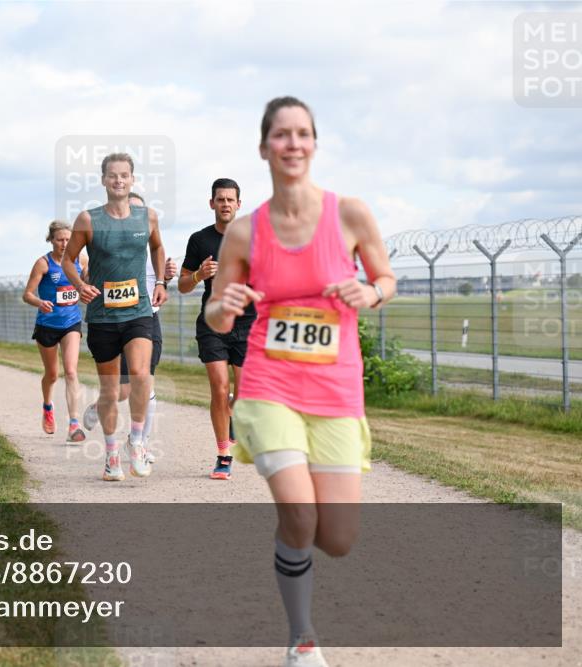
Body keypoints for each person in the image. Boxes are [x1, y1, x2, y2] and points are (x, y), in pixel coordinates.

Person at [205, 96, 395, 667]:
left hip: (336, 388)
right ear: (264, 148)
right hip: (270, 384)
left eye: (302, 133)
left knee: (336, 538)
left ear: (314, 144)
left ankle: (295, 547)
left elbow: (387, 279)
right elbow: (216, 315)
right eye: (281, 135)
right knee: (300, 513)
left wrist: (371, 292)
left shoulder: (350, 215)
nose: (292, 144)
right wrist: (225, 305)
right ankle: (302, 636)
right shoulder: (245, 232)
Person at [62, 152, 168, 482]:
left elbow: (158, 248)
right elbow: (68, 260)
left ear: (132, 179)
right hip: (103, 317)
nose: (118, 180)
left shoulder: (148, 217)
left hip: (139, 313)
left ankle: (136, 441)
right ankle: (111, 456)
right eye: (112, 175)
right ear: (103, 180)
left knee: (140, 374)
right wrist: (80, 285)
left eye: (124, 175)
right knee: (109, 392)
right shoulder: (88, 220)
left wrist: (161, 282)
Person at [81, 191, 177, 464]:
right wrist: (88, 276)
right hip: (112, 321)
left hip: (145, 320)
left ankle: (139, 444)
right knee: (120, 391)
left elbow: (159, 282)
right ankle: (101, 405)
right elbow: (89, 274)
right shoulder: (108, 248)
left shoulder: (151, 248)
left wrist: (166, 278)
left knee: (144, 382)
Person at [179, 178, 255, 480]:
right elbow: (183, 285)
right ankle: (223, 454)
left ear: (239, 204)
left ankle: (233, 415)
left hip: (247, 322)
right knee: (220, 387)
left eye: (230, 199)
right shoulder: (199, 240)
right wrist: (199, 274)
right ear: (212, 203)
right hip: (212, 323)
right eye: (220, 199)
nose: (225, 204)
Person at [22, 221, 88, 441]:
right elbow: (27, 294)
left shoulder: (81, 259)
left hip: (71, 322)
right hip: (47, 325)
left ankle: (74, 424)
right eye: (60, 239)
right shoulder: (43, 264)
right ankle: (47, 406)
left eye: (68, 239)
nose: (64, 243)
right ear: (51, 240)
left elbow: (87, 279)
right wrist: (39, 302)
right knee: (52, 374)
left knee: (71, 371)